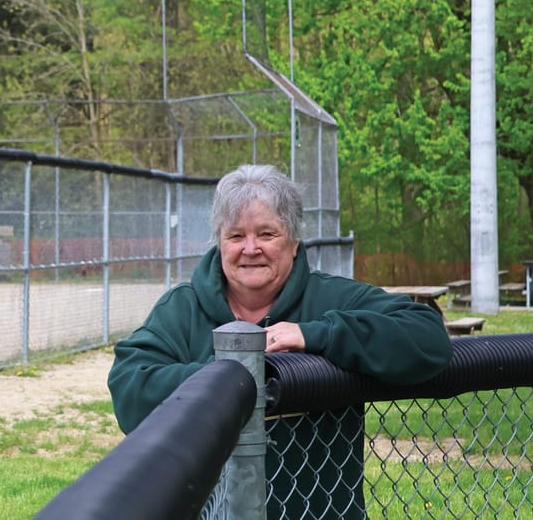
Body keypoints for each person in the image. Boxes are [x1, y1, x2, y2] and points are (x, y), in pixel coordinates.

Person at [107, 164, 453, 518]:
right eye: (236, 236)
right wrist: (229, 377)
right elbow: (130, 385)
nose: (250, 248)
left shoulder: (331, 298)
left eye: (267, 234)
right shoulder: (183, 308)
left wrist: (316, 335)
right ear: (220, 242)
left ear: (293, 240)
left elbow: (427, 336)